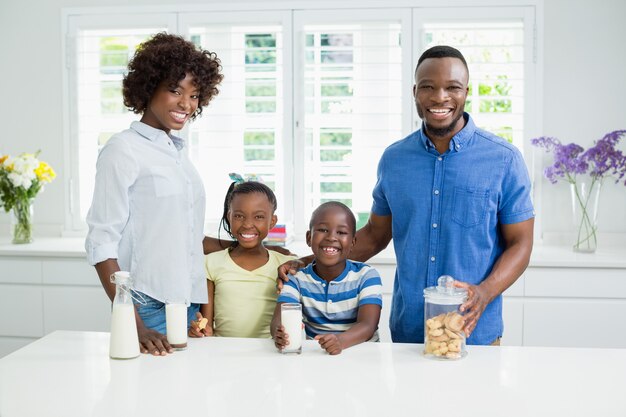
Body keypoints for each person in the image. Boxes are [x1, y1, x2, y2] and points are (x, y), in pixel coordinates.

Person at [279, 45, 534, 346]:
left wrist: (484, 292)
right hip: (408, 332)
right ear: (415, 91)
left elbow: (521, 243)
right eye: (428, 87)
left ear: (467, 91)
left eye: (452, 87)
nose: (440, 97)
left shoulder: (504, 159)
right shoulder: (394, 160)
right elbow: (375, 235)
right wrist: (306, 263)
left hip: (474, 333)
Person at [85, 32, 224, 356]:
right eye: (175, 90)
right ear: (149, 88)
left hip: (188, 307)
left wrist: (251, 245)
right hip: (145, 308)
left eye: (194, 95)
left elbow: (184, 235)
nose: (186, 104)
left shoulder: (178, 154)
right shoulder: (123, 150)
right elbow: (101, 243)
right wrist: (134, 323)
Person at [189, 180, 297, 339]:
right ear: (229, 217)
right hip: (224, 353)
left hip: (270, 353)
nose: (247, 224)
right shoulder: (211, 262)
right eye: (239, 216)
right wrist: (201, 327)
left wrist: (299, 262)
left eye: (259, 217)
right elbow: (206, 321)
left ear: (272, 221)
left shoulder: (285, 264)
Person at [271, 202, 382, 355]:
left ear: (353, 242)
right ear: (309, 238)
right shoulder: (296, 278)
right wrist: (279, 333)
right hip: (318, 355)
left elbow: (368, 325)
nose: (331, 237)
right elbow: (280, 318)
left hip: (363, 355)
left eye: (341, 232)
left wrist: (340, 341)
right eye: (323, 230)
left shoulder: (366, 276)